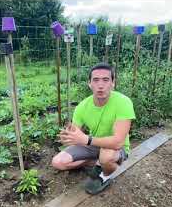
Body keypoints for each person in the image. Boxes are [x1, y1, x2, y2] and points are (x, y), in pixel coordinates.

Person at [51, 63, 136, 195]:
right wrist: (67, 137)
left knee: (106, 156)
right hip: (94, 144)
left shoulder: (123, 102)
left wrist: (85, 139)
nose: (100, 85)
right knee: (58, 162)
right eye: (96, 80)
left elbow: (118, 141)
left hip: (115, 148)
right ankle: (95, 162)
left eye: (106, 80)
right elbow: (74, 132)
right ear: (89, 84)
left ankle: (105, 175)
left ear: (113, 83)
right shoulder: (82, 106)